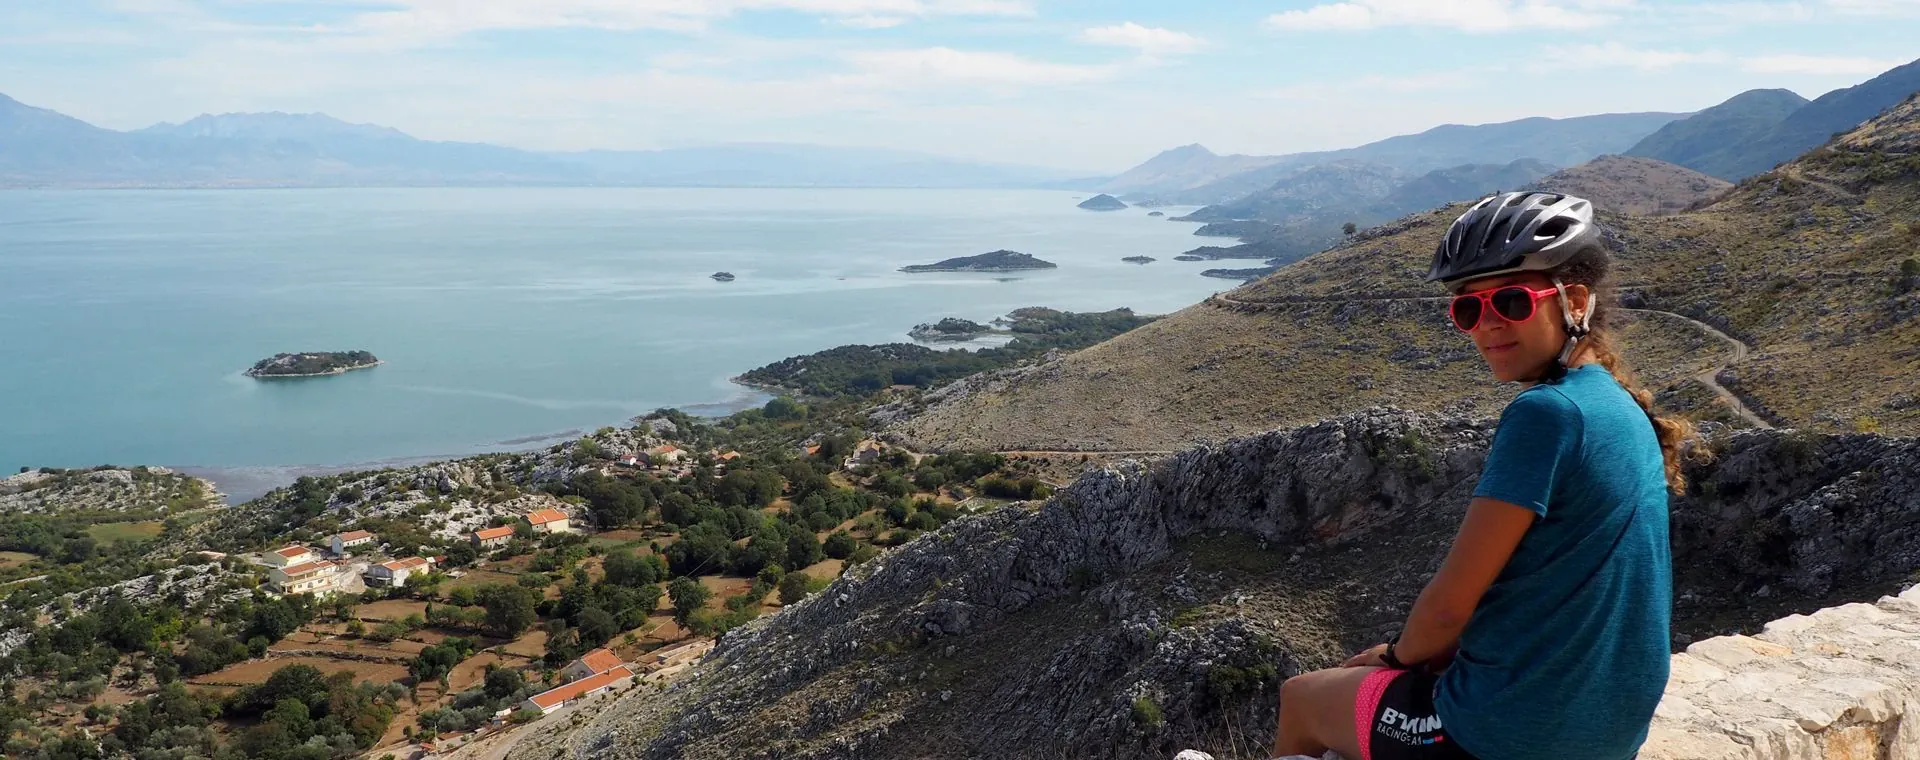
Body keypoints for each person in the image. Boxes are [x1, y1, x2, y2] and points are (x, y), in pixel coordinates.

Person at [1268, 192, 1698, 760]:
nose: (1487, 327)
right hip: (1608, 728)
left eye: (1512, 303)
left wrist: (1396, 657)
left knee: (1301, 698)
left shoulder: (1546, 414)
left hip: (1506, 732)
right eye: (1468, 310)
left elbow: (1450, 605)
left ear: (1573, 301)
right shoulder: (1619, 407)